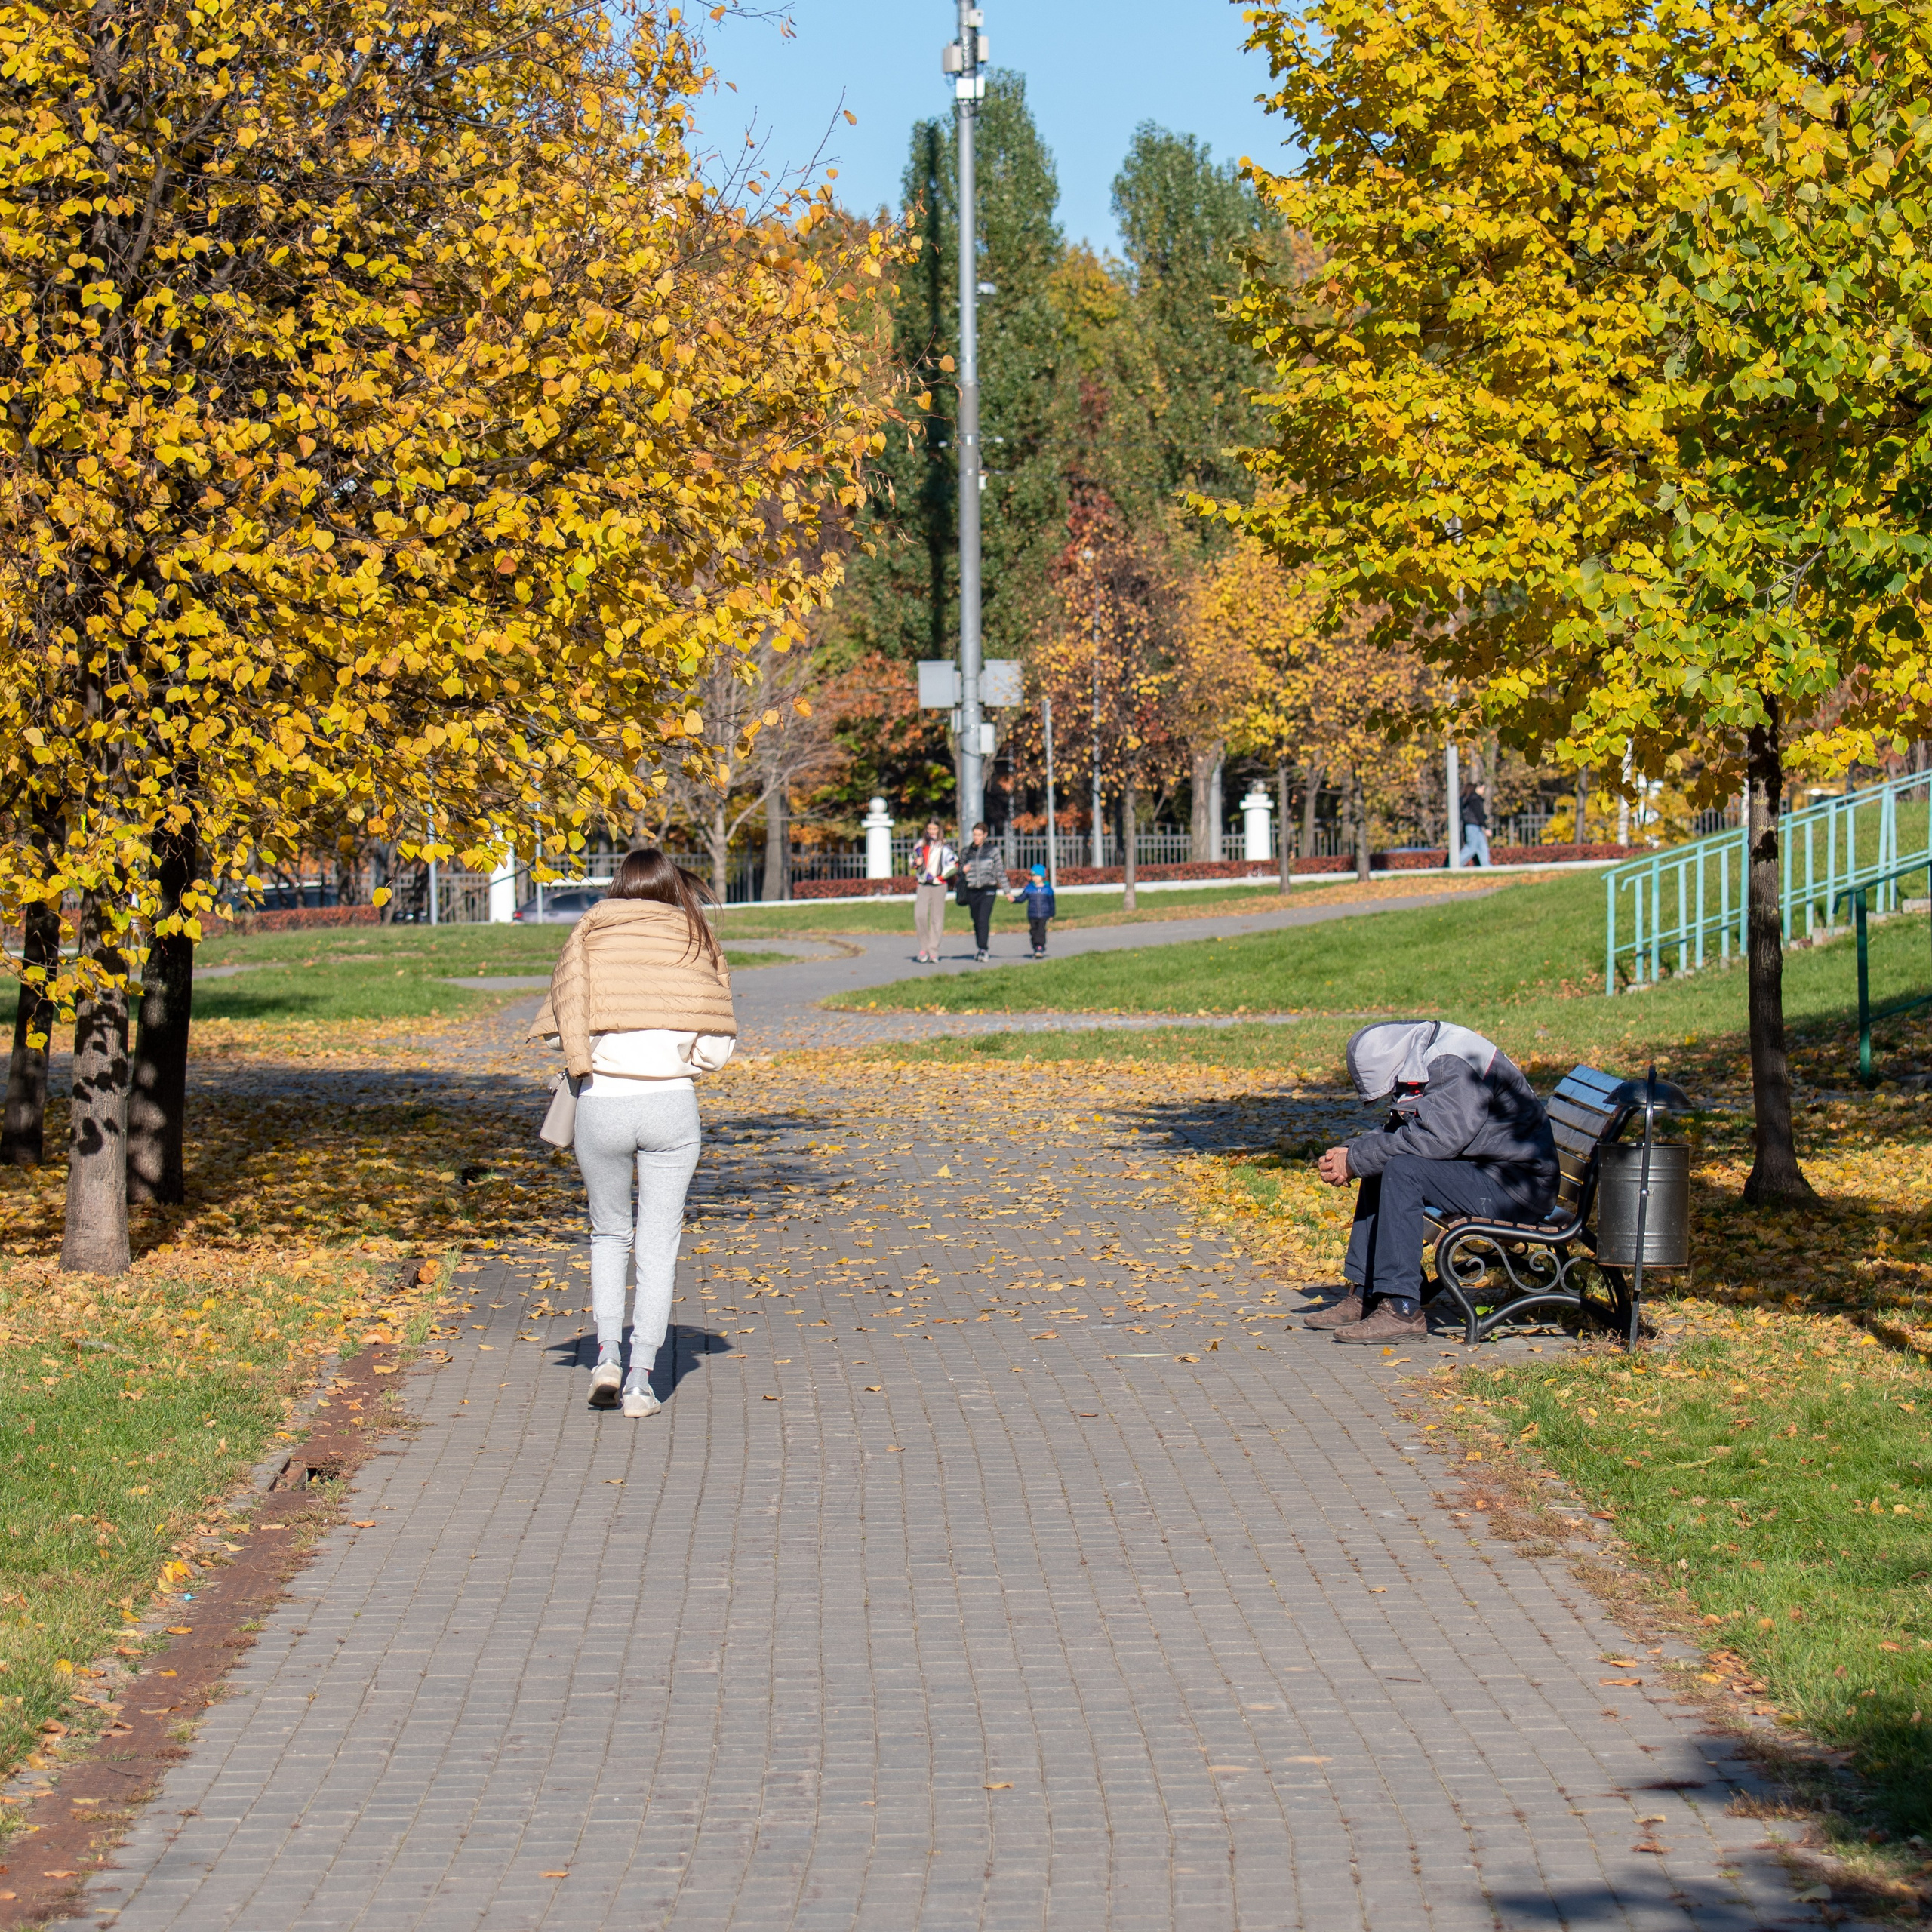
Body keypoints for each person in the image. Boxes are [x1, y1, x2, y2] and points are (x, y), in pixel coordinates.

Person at [530, 849, 737, 1417]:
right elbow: (716, 1046)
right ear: (673, 888)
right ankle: (643, 1381)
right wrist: (680, 1054)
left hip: (602, 1103)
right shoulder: (695, 939)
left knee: (607, 1235)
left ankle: (606, 1358)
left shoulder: (589, 935)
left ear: (619, 886)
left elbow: (558, 1031)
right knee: (658, 1244)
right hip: (671, 1103)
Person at [1308, 1020, 1557, 1343]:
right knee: (1382, 1163)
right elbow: (1403, 1130)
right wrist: (1353, 1152)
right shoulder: (1426, 1053)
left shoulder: (1451, 1064)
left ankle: (1402, 1308)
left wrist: (1355, 1160)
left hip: (1518, 1189)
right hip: (1489, 1172)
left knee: (1402, 1169)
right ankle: (1368, 1291)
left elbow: (1435, 1140)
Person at [958, 822, 1007, 961]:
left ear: (985, 835)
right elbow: (959, 870)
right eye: (974, 835)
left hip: (988, 889)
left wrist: (1007, 891)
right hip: (972, 890)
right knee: (976, 920)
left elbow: (1000, 871)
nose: (976, 837)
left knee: (983, 919)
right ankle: (980, 947)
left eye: (979, 835)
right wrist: (963, 870)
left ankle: (983, 949)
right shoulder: (967, 852)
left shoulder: (992, 851)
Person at [912, 820, 957, 964]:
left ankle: (933, 950)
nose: (932, 832)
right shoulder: (920, 845)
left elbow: (954, 864)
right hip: (924, 884)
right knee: (920, 915)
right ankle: (924, 948)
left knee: (937, 918)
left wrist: (942, 877)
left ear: (939, 830)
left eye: (934, 829)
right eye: (929, 829)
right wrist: (915, 863)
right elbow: (912, 860)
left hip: (939, 885)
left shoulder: (945, 847)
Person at [1010, 863, 1056, 958]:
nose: (1035, 878)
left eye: (1037, 875)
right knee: (1033, 931)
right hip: (1032, 914)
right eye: (1033, 875)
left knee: (1041, 931)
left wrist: (1052, 914)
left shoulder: (1047, 889)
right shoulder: (1029, 889)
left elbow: (1052, 903)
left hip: (1044, 915)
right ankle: (1035, 946)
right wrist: (1014, 900)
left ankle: (1040, 947)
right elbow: (1022, 898)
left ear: (1042, 877)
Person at [1459, 780, 1491, 866]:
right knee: (1472, 847)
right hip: (1473, 826)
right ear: (1478, 788)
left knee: (1482, 846)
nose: (1483, 791)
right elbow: (1478, 814)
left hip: (1475, 827)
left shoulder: (1470, 798)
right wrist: (1486, 827)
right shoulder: (1474, 799)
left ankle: (1486, 865)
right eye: (1483, 789)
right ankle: (1456, 864)